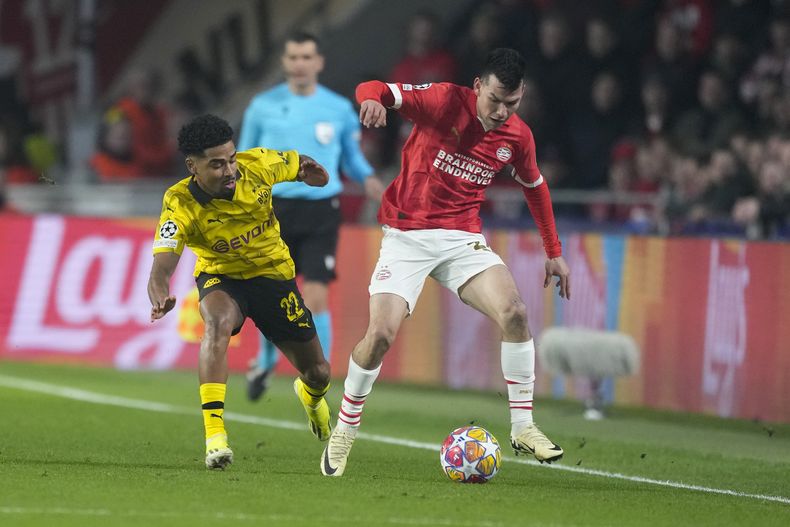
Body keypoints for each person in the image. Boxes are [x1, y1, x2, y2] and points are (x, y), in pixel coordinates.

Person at [320, 48, 571, 477]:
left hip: (461, 239)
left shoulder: (518, 136)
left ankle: (524, 426)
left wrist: (554, 251)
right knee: (379, 335)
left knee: (515, 312)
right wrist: (372, 100)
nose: (501, 112)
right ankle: (345, 429)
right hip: (406, 236)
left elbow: (535, 186)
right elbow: (375, 87)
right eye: (494, 100)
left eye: (512, 103)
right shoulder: (442, 101)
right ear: (477, 86)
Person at [147, 114, 333, 470]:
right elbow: (162, 266)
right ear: (193, 166)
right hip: (222, 277)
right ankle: (215, 437)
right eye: (217, 164)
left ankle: (311, 398)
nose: (230, 170)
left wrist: (311, 172)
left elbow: (299, 164)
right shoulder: (179, 202)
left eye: (231, 159)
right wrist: (159, 293)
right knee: (216, 323)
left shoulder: (257, 165)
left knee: (318, 373)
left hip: (273, 277)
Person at [238, 31, 384, 401]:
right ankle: (265, 361)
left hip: (321, 211)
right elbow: (242, 159)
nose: (299, 64)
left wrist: (368, 177)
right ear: (284, 62)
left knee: (316, 295)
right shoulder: (262, 106)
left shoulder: (338, 109)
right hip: (273, 210)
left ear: (318, 62)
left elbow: (350, 157)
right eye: (293, 57)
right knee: (272, 295)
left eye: (306, 57)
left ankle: (319, 376)